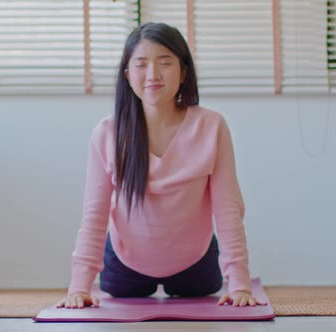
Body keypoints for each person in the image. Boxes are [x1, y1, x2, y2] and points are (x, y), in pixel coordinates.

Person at [56, 22, 266, 309]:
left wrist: (239, 284)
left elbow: (227, 207)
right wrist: (79, 287)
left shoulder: (211, 126)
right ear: (128, 75)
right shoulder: (107, 132)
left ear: (183, 72)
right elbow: (95, 212)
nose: (153, 74)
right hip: (124, 265)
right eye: (141, 64)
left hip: (195, 265)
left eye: (165, 63)